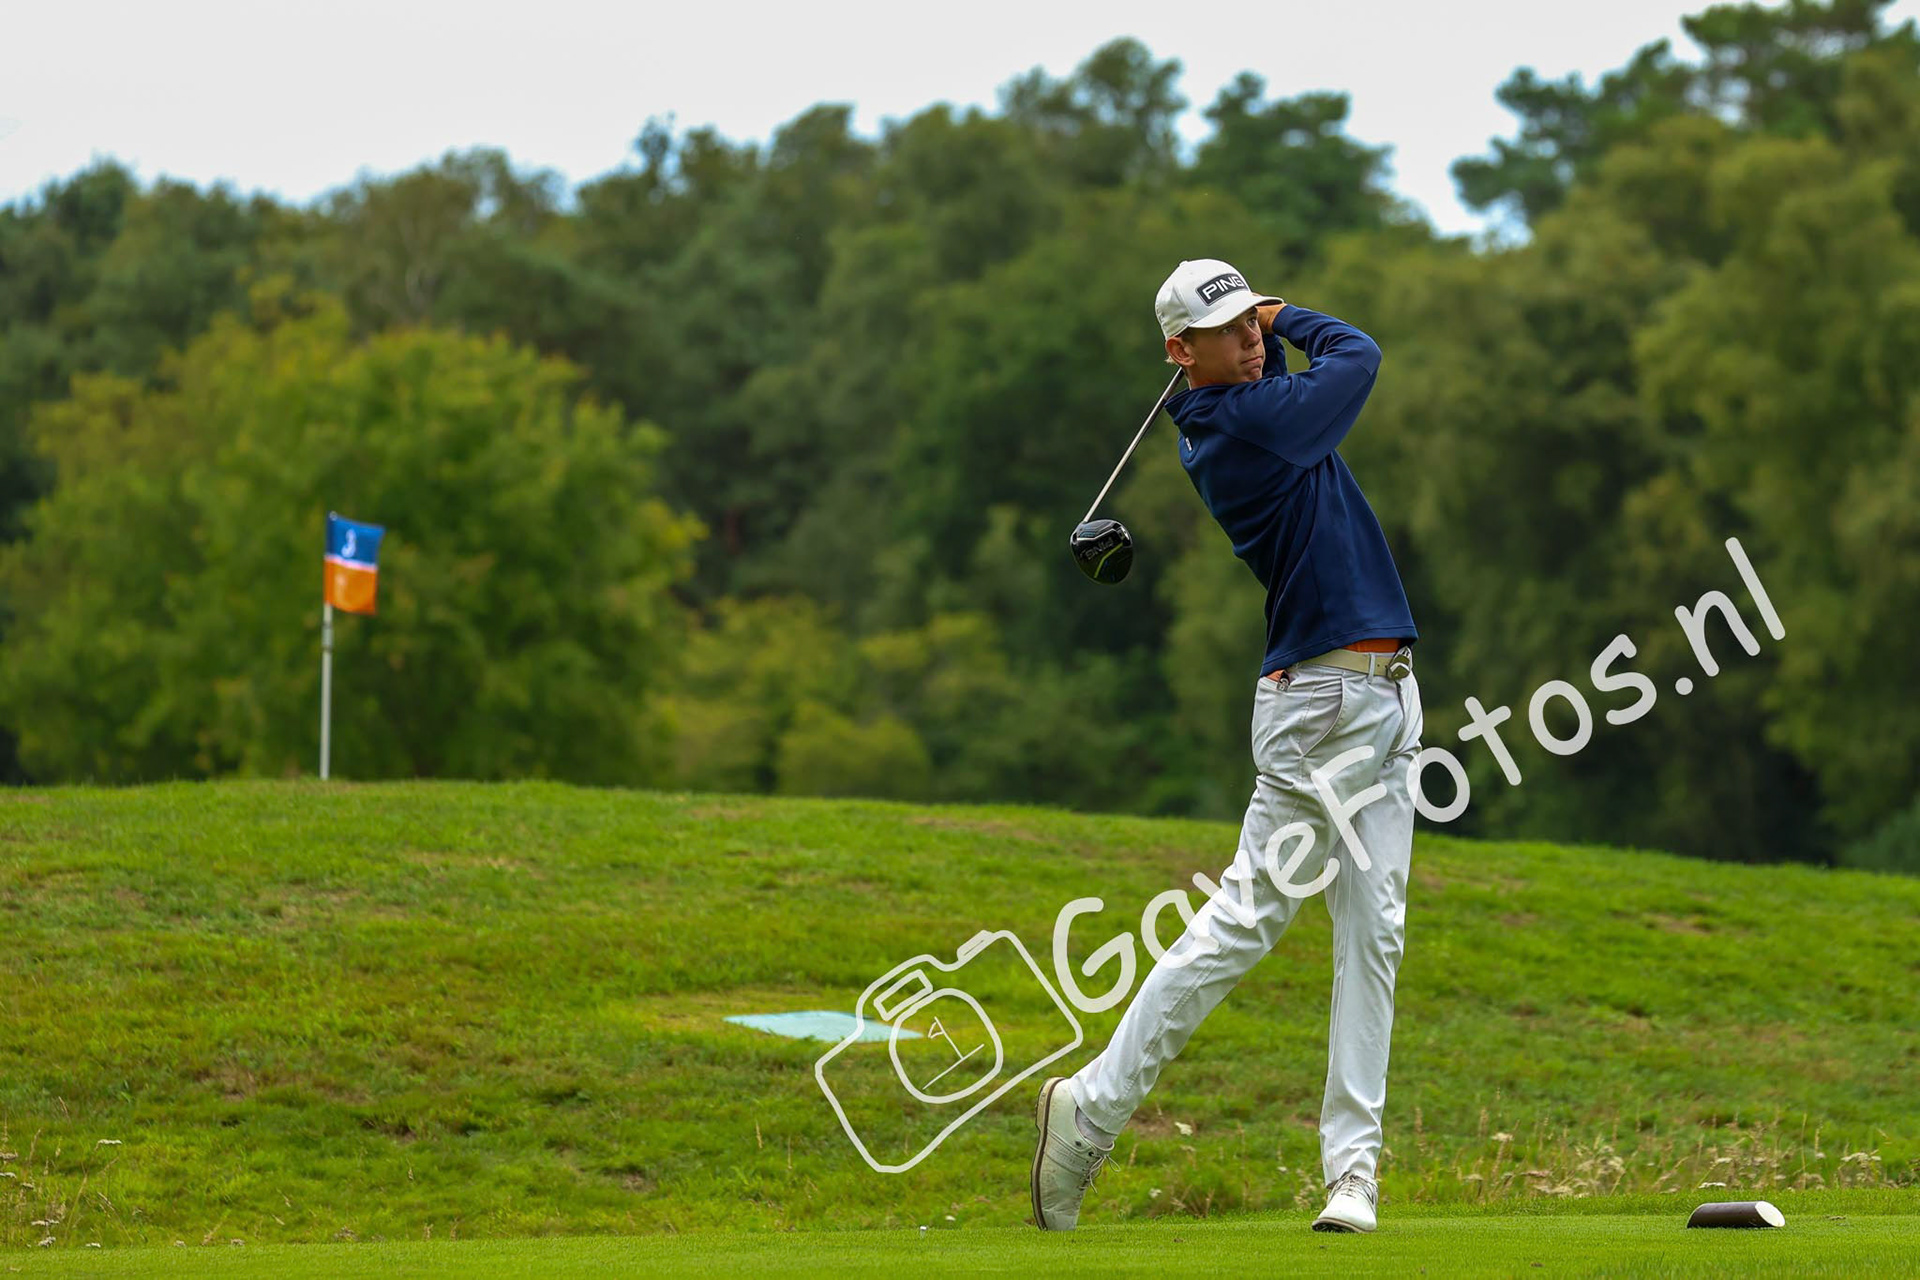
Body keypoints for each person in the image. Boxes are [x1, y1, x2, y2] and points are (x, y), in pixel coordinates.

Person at [1030, 258, 1424, 1235]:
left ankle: (1353, 1174)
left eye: (1254, 322)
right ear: (1180, 353)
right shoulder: (1239, 426)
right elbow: (1358, 354)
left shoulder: (1257, 401)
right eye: (1231, 330)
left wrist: (1264, 318)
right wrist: (1296, 314)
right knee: (1243, 923)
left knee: (1374, 933)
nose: (1251, 339)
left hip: (1387, 699)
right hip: (1318, 709)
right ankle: (1090, 1110)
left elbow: (1328, 367)